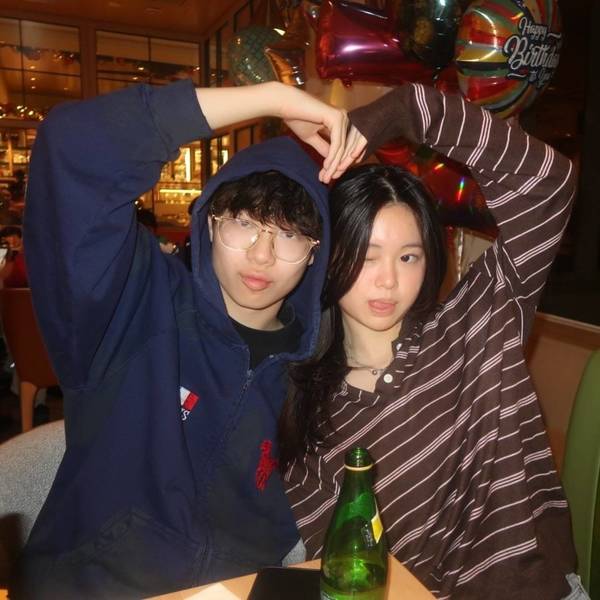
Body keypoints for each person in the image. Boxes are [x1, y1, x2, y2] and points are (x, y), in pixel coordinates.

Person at [12, 79, 352, 598]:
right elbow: (72, 147)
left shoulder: (312, 373)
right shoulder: (133, 299)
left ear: (314, 253)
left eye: (288, 235)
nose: (262, 255)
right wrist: (272, 98)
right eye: (243, 222)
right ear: (210, 223)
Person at [282, 83, 585, 599]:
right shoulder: (309, 397)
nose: (388, 281)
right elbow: (326, 552)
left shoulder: (477, 322)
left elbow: (547, 184)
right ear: (329, 258)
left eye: (409, 256)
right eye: (367, 256)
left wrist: (402, 111)